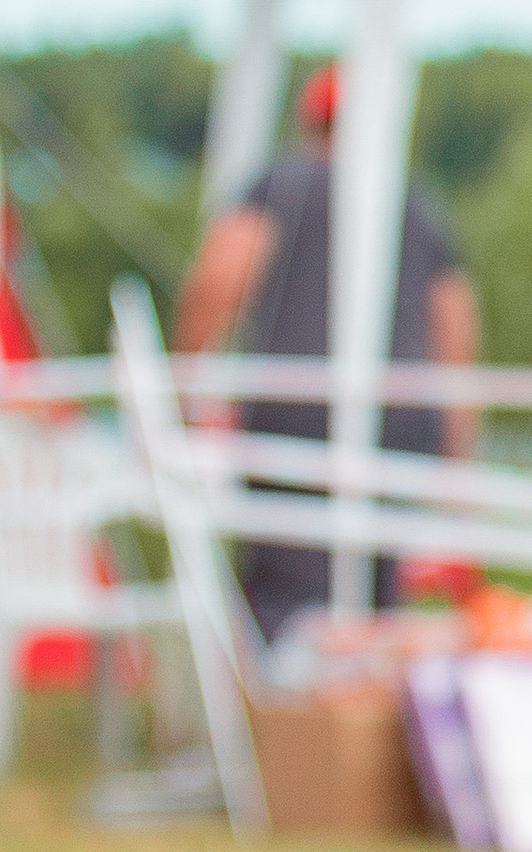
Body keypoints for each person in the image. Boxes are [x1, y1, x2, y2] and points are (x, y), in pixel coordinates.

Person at [173, 65, 480, 638]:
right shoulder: (416, 202)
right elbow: (456, 334)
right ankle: (354, 716)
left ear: (310, 122)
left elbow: (217, 280)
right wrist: (456, 456)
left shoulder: (279, 185)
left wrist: (185, 393)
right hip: (405, 422)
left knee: (287, 605)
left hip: (296, 415)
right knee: (377, 601)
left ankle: (291, 718)